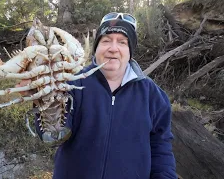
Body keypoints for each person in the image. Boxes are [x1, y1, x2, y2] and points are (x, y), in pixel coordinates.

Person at [17, 12, 177, 179]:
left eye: (122, 42)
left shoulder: (154, 96)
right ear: (96, 48)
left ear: (130, 50)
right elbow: (50, 135)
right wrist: (41, 96)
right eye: (106, 40)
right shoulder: (72, 83)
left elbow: (161, 147)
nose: (113, 48)